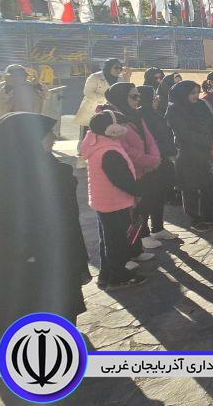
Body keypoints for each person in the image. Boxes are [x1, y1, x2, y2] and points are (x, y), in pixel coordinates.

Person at [0, 112, 90, 350]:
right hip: (23, 267)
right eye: (47, 133)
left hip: (52, 257)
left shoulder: (46, 165)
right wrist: (30, 253)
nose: (54, 138)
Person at [81, 110, 149, 290]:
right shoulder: (109, 151)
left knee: (108, 240)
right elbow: (122, 180)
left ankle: (106, 275)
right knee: (117, 243)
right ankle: (118, 278)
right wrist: (139, 190)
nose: (124, 127)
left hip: (104, 202)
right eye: (120, 124)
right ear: (111, 129)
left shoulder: (97, 143)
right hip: (114, 202)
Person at [99, 83, 164, 258]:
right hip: (129, 172)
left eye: (138, 96)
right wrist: (149, 160)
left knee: (141, 210)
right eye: (133, 96)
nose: (138, 100)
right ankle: (127, 253)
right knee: (129, 215)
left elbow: (149, 139)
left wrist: (154, 158)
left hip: (146, 169)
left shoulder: (136, 115)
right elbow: (125, 149)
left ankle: (136, 249)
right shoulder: (112, 120)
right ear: (121, 98)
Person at [167, 81, 213, 232]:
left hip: (207, 151)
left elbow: (212, 122)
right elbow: (184, 133)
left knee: (209, 184)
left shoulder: (200, 105)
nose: (195, 96)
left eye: (197, 92)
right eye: (192, 93)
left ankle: (209, 214)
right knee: (190, 187)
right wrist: (210, 142)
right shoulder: (174, 110)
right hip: (188, 153)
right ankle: (195, 218)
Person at [136, 84, 180, 242]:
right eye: (154, 96)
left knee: (158, 196)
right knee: (147, 199)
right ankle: (143, 233)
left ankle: (158, 228)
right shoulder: (140, 116)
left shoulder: (153, 113)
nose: (157, 99)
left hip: (162, 160)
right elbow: (150, 141)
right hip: (150, 163)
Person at [74, 58, 124, 164]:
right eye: (116, 68)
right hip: (91, 109)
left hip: (109, 111)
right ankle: (82, 157)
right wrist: (106, 99)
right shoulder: (95, 77)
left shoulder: (120, 79)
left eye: (121, 68)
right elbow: (88, 92)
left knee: (105, 133)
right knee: (86, 133)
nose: (118, 70)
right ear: (108, 67)